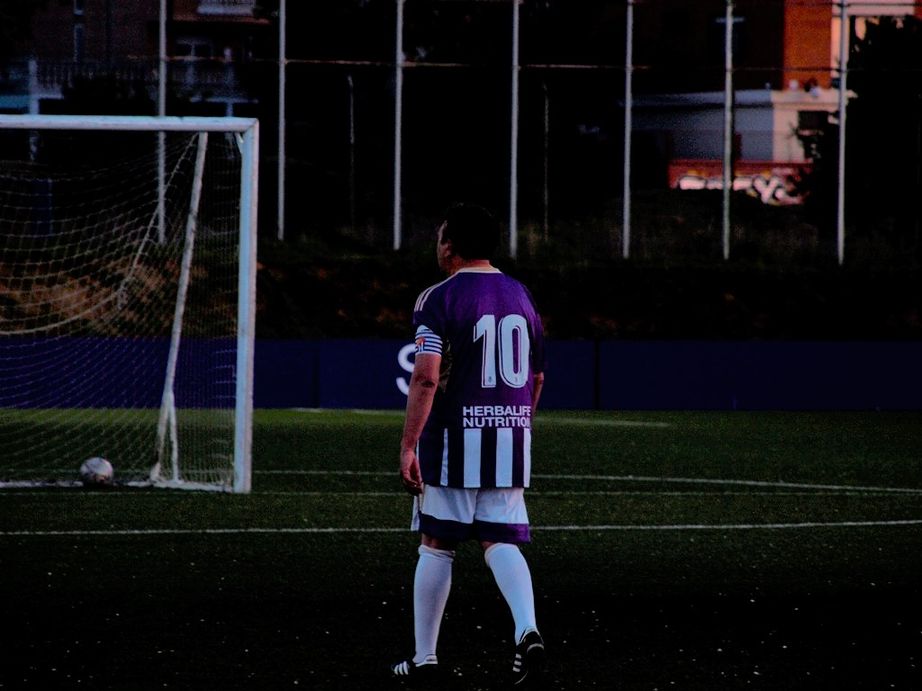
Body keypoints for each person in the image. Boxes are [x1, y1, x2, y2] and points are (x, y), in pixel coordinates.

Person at [391, 203, 547, 686]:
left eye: (440, 236)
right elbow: (537, 376)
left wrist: (409, 445)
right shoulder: (521, 294)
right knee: (500, 539)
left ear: (451, 247)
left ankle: (424, 659)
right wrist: (519, 425)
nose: (437, 244)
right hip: (511, 436)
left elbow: (425, 377)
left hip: (454, 440)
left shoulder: (437, 298)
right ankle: (527, 629)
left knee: (437, 544)